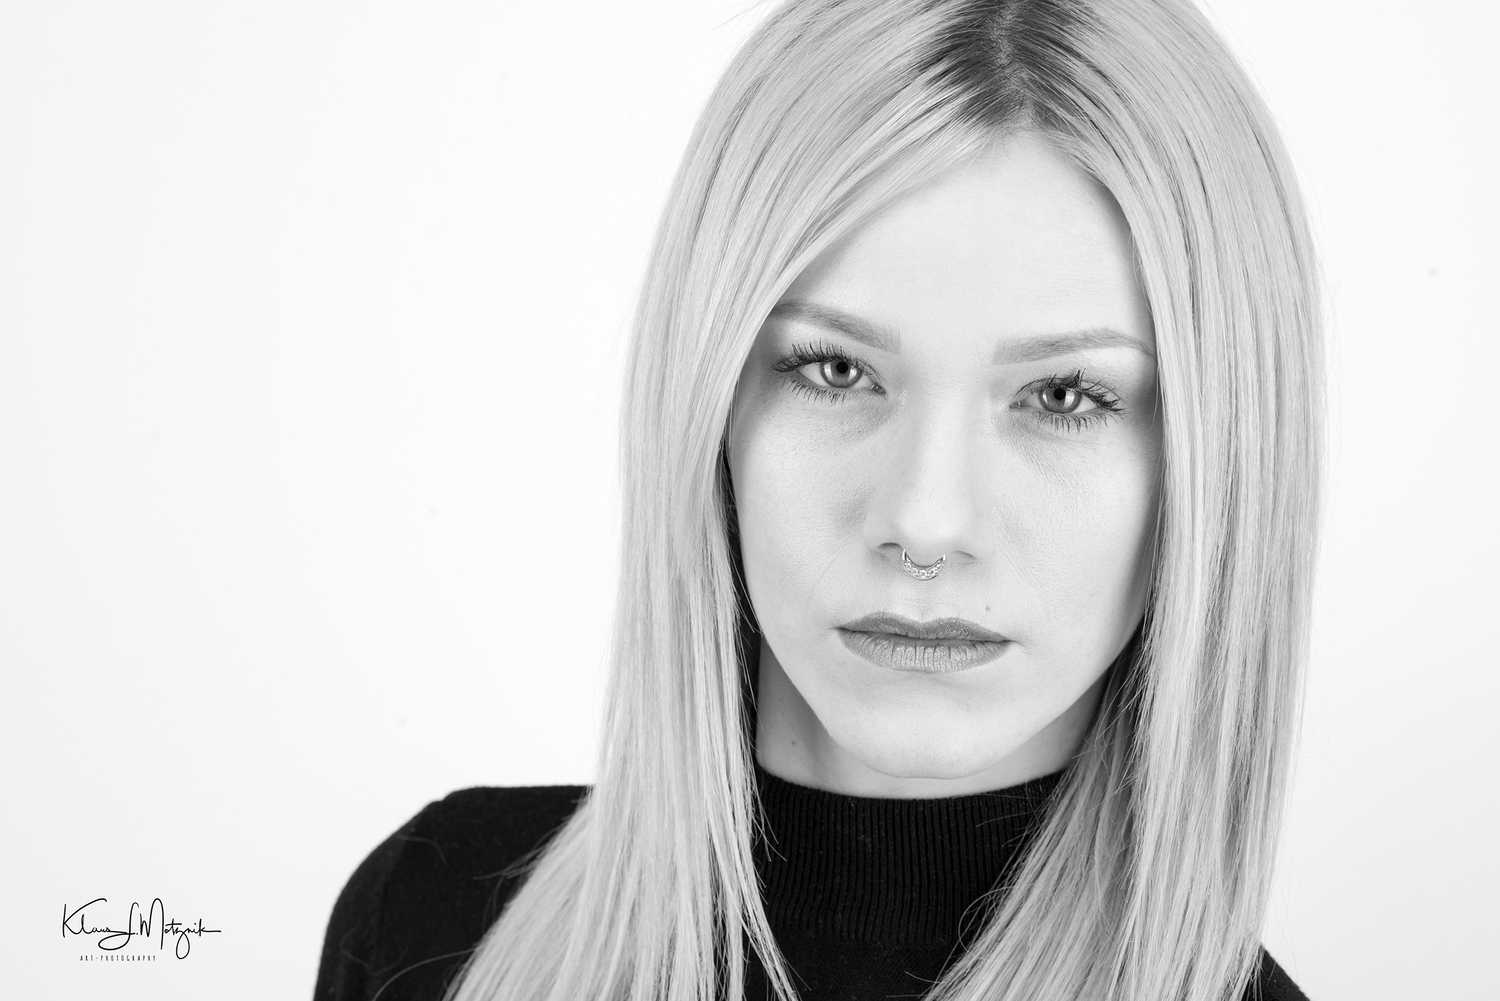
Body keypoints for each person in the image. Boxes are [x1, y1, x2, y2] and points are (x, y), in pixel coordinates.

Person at [314, 0, 1322, 998]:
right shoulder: (429, 922)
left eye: (1064, 396)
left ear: (1220, 458)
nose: (926, 521)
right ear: (708, 403)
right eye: (836, 371)